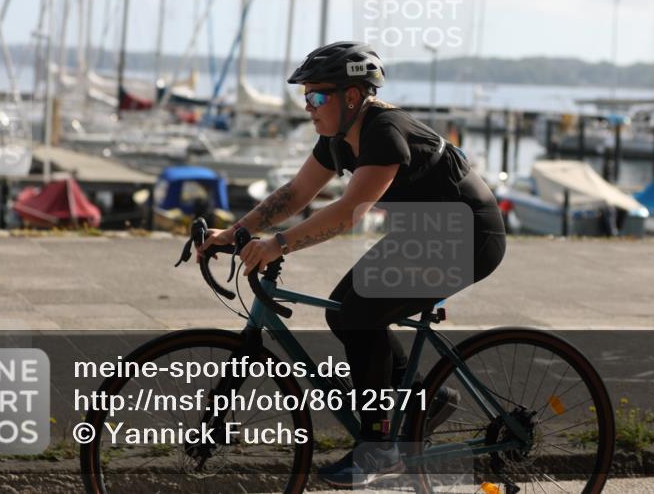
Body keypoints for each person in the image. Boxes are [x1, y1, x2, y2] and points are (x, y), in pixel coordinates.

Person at [198, 41, 506, 487]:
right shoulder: (336, 139)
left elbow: (349, 212)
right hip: (427, 234)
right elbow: (296, 193)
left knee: (360, 313)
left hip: (469, 237)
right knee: (346, 312)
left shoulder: (384, 131)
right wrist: (234, 232)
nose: (309, 107)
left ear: (353, 97)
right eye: (305, 97)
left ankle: (378, 448)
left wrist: (278, 244)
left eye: (317, 96)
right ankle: (427, 400)